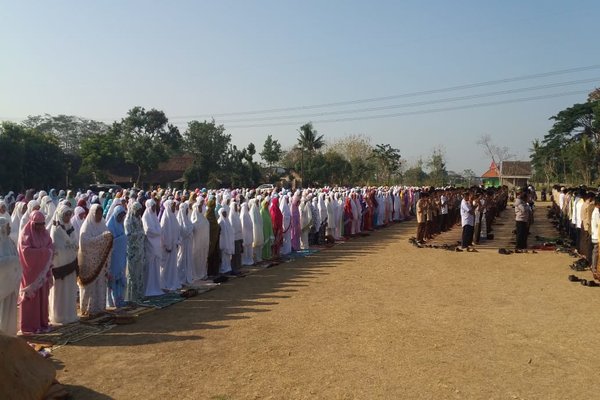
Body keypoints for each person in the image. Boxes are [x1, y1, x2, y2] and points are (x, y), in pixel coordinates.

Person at [18, 210, 54, 334]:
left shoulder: (45, 233)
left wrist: (44, 252)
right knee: (31, 300)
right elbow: (26, 252)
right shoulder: (25, 234)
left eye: (42, 224)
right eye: (38, 224)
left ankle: (42, 323)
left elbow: (50, 246)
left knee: (43, 298)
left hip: (42, 274)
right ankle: (29, 326)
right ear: (32, 223)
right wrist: (43, 252)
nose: (40, 226)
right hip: (30, 274)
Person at [78, 204, 113, 317]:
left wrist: (105, 238)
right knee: (90, 286)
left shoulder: (103, 224)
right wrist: (102, 238)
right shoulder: (86, 227)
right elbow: (85, 243)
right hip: (90, 262)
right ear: (92, 213)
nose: (99, 216)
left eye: (100, 213)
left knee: (100, 284)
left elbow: (107, 238)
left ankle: (99, 308)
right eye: (97, 213)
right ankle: (87, 309)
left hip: (101, 262)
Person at [49, 204, 79, 325]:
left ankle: (70, 314)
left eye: (69, 214)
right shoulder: (56, 230)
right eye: (65, 214)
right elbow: (57, 248)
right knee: (60, 291)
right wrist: (68, 249)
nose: (67, 217)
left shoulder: (71, 227)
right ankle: (59, 315)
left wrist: (71, 249)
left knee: (70, 290)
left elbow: (75, 244)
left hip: (71, 265)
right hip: (60, 267)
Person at [0, 217, 22, 335]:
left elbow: (17, 258)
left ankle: (10, 336)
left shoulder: (10, 242)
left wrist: (14, 261)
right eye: (7, 227)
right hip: (2, 286)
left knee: (10, 311)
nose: (9, 229)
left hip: (11, 284)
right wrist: (11, 261)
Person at [107, 205, 128, 308]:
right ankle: (112, 301)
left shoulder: (121, 225)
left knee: (120, 279)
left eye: (122, 216)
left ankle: (120, 299)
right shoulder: (110, 226)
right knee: (113, 280)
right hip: (113, 257)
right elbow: (109, 242)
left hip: (121, 257)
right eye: (120, 215)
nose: (121, 218)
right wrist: (122, 238)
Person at [141, 199, 163, 296]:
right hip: (150, 246)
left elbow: (159, 228)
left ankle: (156, 287)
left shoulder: (154, 216)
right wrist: (158, 232)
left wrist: (158, 231)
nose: (154, 208)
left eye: (155, 206)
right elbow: (148, 231)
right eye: (153, 206)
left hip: (156, 245)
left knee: (156, 268)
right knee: (150, 268)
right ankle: (149, 288)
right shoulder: (146, 216)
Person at [125, 201, 145, 303]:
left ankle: (139, 295)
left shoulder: (139, 219)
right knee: (132, 275)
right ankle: (131, 297)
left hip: (139, 251)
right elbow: (128, 235)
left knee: (139, 273)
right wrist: (140, 234)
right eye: (137, 211)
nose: (139, 213)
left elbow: (142, 231)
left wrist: (141, 234)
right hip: (132, 251)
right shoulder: (128, 221)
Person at [160, 200, 181, 291]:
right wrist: (168, 245)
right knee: (166, 266)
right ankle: (165, 283)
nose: (173, 207)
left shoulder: (173, 217)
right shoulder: (165, 218)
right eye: (172, 206)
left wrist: (177, 241)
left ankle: (172, 281)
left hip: (174, 246)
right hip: (167, 247)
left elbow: (177, 230)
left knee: (172, 266)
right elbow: (164, 234)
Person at [176, 202, 194, 285]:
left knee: (188, 260)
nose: (187, 211)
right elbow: (184, 232)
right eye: (186, 210)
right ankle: (180, 277)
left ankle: (187, 276)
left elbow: (191, 227)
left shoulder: (187, 219)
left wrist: (190, 229)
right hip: (182, 245)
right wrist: (189, 230)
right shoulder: (179, 221)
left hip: (188, 244)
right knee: (181, 260)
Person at [191, 202, 210, 280]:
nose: (200, 209)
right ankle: (196, 274)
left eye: (200, 207)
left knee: (203, 259)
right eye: (198, 207)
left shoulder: (204, 219)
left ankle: (202, 273)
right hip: (196, 245)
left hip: (203, 243)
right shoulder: (193, 220)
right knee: (196, 259)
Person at [218, 207, 234, 274]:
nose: (225, 214)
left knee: (227, 257)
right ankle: (224, 269)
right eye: (223, 213)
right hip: (223, 242)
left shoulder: (227, 221)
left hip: (228, 241)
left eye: (225, 212)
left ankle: (228, 268)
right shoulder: (220, 221)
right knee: (224, 256)